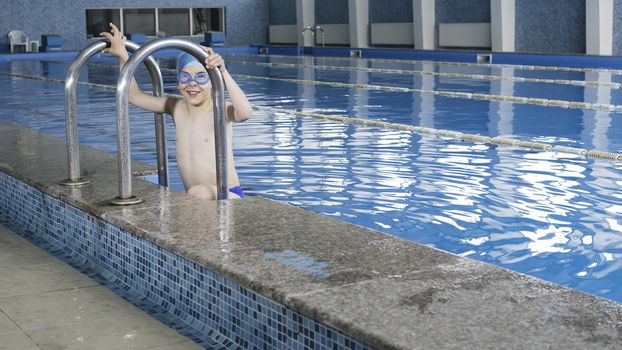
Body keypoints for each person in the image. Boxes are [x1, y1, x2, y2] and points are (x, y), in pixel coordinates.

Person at [100, 23, 252, 200]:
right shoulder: (176, 106)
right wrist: (122, 55)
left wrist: (223, 72)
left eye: (201, 77)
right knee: (193, 195)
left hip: (227, 193)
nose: (192, 84)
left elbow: (245, 113)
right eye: (185, 77)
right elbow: (133, 96)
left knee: (196, 193)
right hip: (198, 197)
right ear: (178, 82)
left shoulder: (219, 108)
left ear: (212, 82)